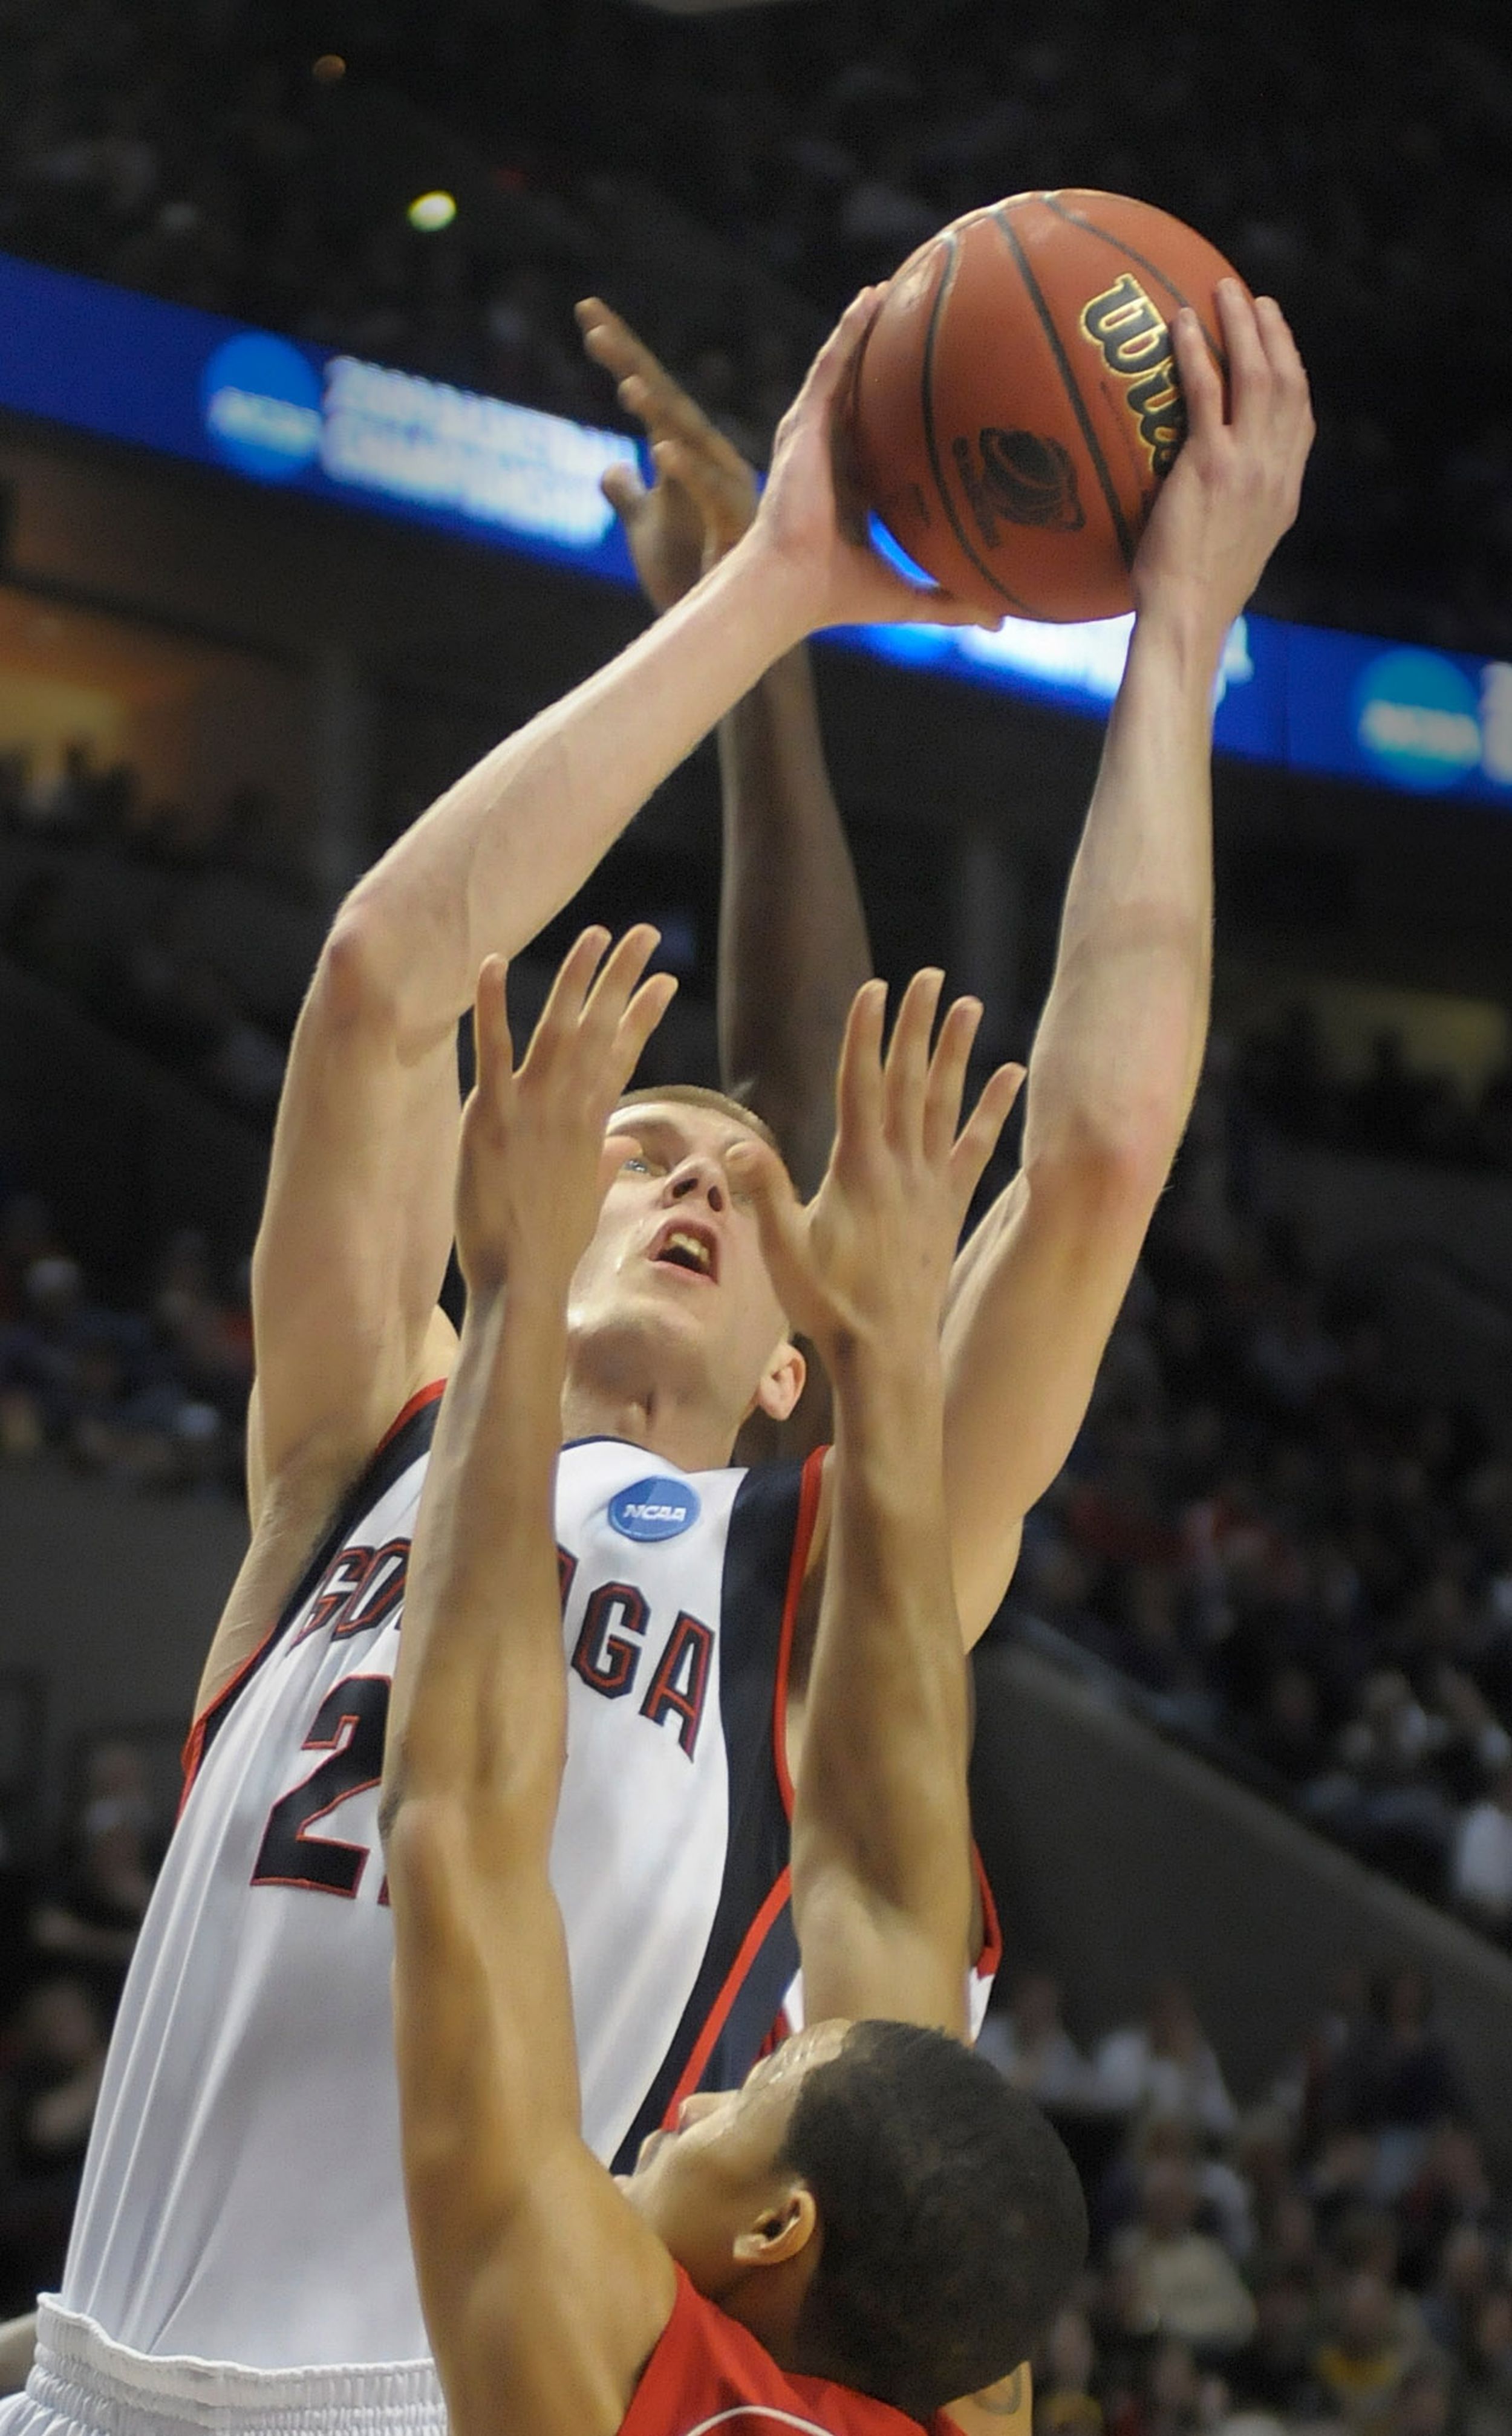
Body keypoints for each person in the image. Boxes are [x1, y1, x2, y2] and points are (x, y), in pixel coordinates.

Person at [4, 276, 1311, 2433]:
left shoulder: (826, 1569)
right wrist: (773, 593)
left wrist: (1174, 639)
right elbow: (378, 979)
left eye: (733, 1179)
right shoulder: (366, 1434)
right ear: (515, 1196)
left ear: (805, 1362)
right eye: (634, 1144)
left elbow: (1090, 1162)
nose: (694, 1176)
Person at [381, 928, 1087, 2436]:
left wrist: (506, 1287)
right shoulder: (907, 2384)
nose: (694, 2098)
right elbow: (890, 1901)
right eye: (638, 1160)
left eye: (741, 2099)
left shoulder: (600, 2346)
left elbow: (456, 1825)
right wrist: (887, 1348)